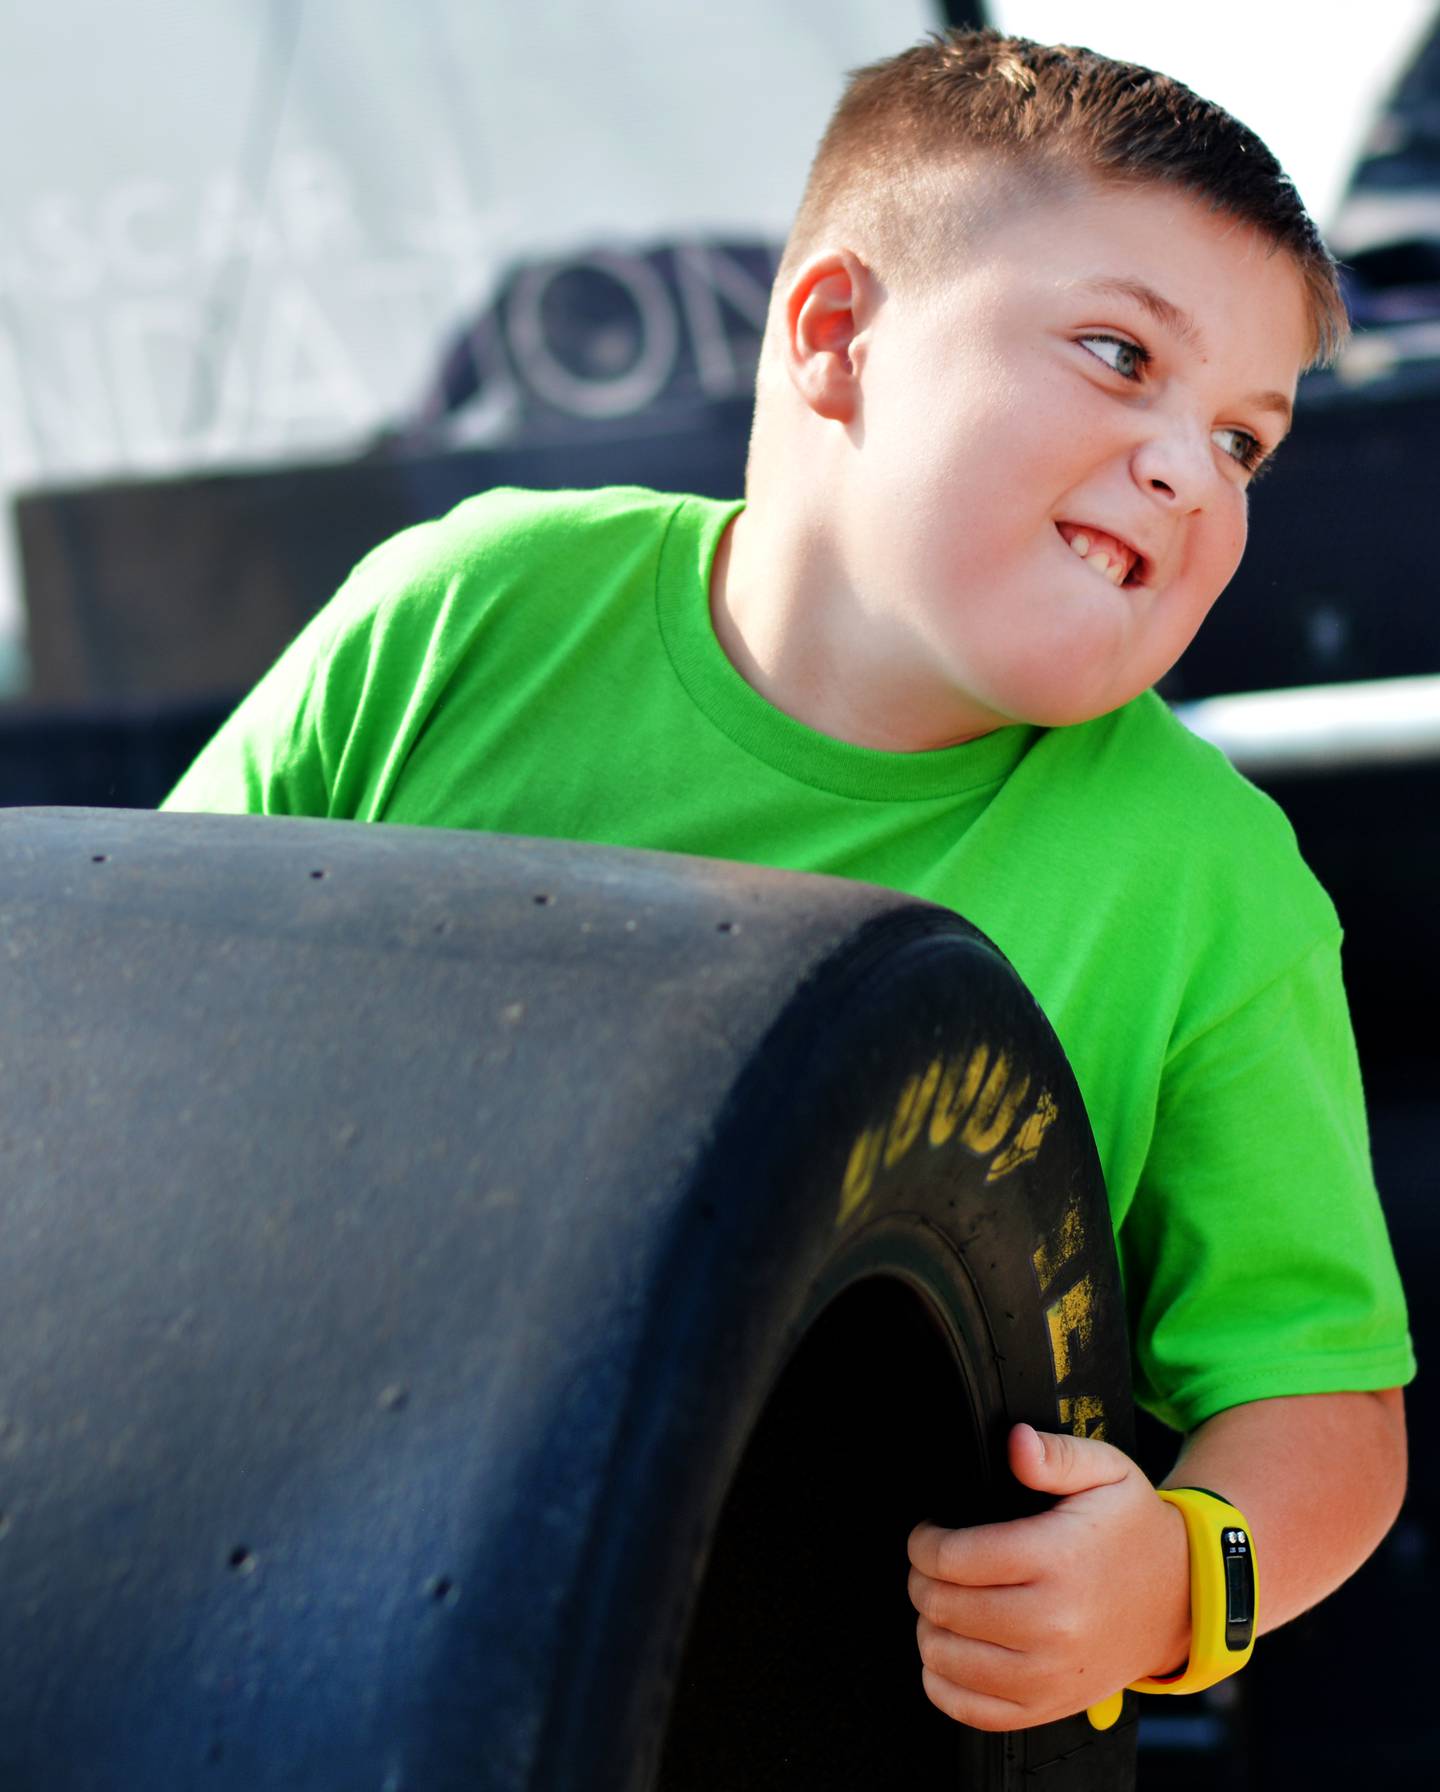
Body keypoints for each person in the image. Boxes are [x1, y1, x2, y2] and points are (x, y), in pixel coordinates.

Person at [163, 28, 1414, 1734]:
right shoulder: (460, 617)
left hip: (839, 1718)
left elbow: (1327, 1410)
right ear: (837, 337)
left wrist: (1181, 1577)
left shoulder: (1209, 879)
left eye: (1248, 442)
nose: (1194, 467)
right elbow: (134, 1031)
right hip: (291, 1616)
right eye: (1123, 356)